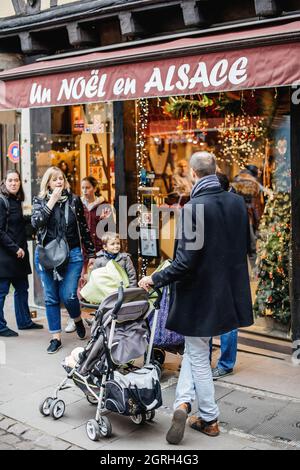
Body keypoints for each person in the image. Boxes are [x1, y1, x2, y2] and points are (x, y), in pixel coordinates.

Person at [139, 151, 253, 445]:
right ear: (215, 170)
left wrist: (154, 278)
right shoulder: (237, 202)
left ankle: (210, 418)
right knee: (195, 352)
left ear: (193, 173)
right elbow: (247, 246)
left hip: (200, 297)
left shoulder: (193, 208)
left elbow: (184, 262)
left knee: (200, 358)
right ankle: (183, 403)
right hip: (228, 294)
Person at [32, 166, 96, 354]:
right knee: (51, 296)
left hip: (72, 253)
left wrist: (91, 254)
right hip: (46, 255)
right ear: (48, 183)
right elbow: (36, 223)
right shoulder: (40, 201)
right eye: (54, 179)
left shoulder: (74, 200)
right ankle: (55, 338)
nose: (59, 181)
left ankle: (77, 319)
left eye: (61, 178)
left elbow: (83, 227)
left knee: (68, 294)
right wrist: (51, 201)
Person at [0, 170, 43, 337]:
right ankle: (1, 327)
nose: (13, 183)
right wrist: (15, 248)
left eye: (16, 180)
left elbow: (18, 225)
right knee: (2, 292)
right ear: (4, 182)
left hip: (19, 256)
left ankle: (24, 321)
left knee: (22, 289)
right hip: (6, 256)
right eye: (10, 180)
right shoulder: (2, 201)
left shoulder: (16, 201)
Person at [65, 176, 111, 333]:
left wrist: (106, 220)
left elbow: (110, 231)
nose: (85, 191)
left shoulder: (104, 205)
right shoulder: (77, 204)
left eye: (88, 187)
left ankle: (96, 317)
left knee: (96, 284)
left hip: (97, 251)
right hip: (80, 250)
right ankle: (74, 318)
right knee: (77, 285)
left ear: (95, 188)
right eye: (83, 188)